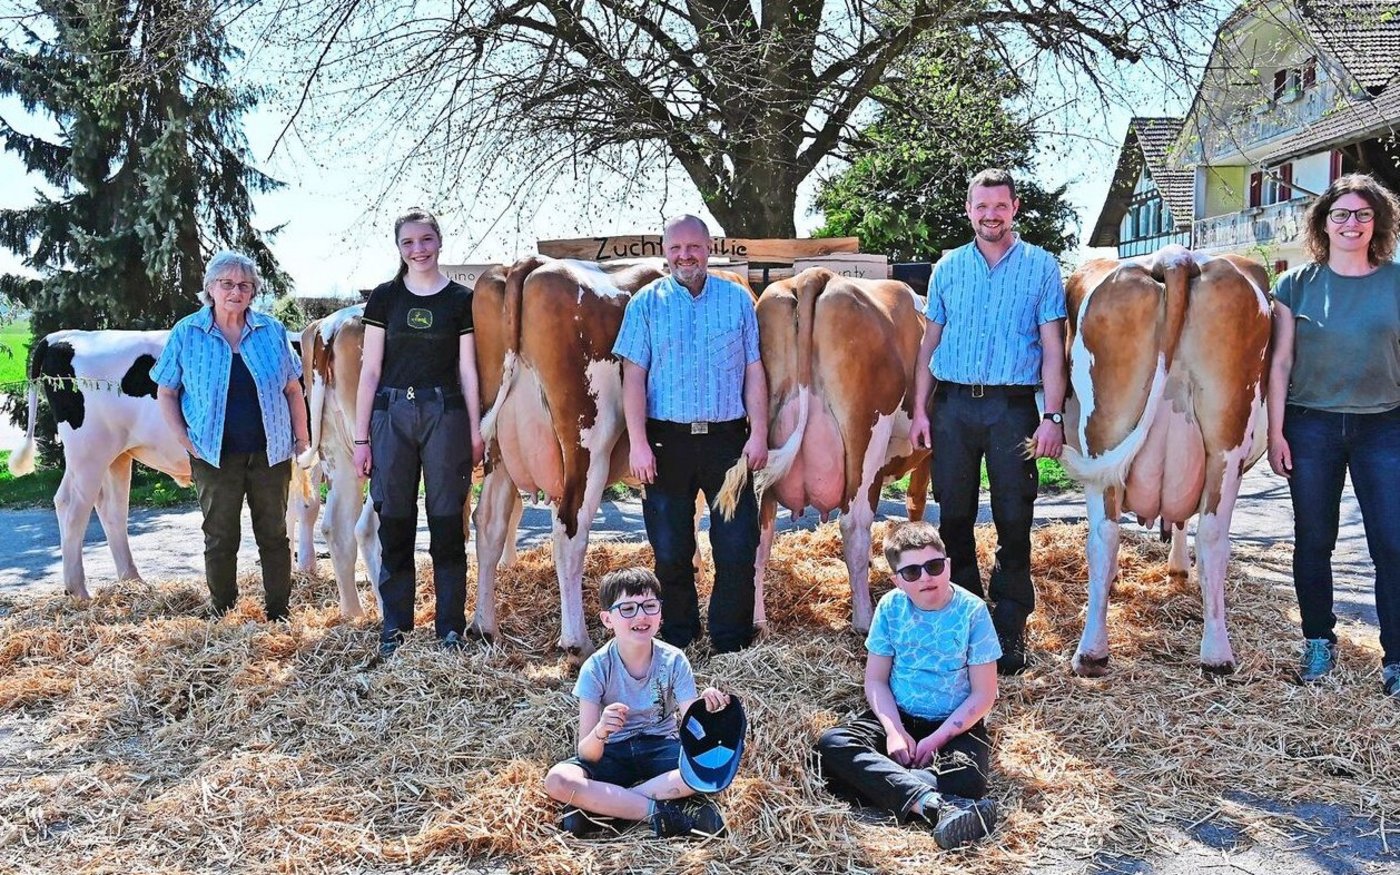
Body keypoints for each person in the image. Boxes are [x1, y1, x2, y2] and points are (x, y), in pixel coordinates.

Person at [908, 168, 1068, 675]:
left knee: (1013, 517)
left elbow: (1053, 349)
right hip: (953, 406)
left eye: (1000, 206)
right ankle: (966, 619)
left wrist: (1052, 416)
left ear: (1015, 208)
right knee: (954, 516)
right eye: (982, 206)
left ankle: (1011, 623)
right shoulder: (948, 267)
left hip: (1012, 408)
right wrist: (920, 410)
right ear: (969, 210)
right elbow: (929, 344)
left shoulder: (1041, 267)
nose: (990, 215)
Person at [1267, 173, 1400, 697]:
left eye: (1363, 214)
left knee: (1391, 543)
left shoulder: (1396, 281)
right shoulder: (1295, 286)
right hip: (1311, 426)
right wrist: (1275, 433)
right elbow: (1280, 363)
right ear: (1323, 223)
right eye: (1341, 214)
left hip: (1384, 426)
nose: (1352, 223)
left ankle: (1396, 659)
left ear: (1377, 222)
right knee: (1314, 540)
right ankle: (1318, 641)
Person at [613, 214, 768, 653]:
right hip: (666, 443)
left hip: (727, 442)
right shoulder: (646, 303)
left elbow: (753, 370)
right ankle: (679, 637)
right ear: (665, 251)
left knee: (737, 547)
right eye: (676, 248)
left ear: (708, 248)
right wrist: (638, 443)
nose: (685, 256)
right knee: (670, 550)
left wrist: (758, 433)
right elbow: (633, 378)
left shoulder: (736, 301)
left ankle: (730, 642)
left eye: (694, 247)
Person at [814, 521, 1001, 849]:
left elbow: (984, 694)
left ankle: (892, 787)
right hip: (899, 715)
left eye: (934, 566)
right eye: (912, 572)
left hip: (955, 724)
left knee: (968, 779)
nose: (926, 577)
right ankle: (934, 805)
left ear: (948, 565)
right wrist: (894, 732)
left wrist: (936, 739)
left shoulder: (973, 611)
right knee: (831, 745)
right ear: (896, 580)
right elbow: (875, 680)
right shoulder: (890, 607)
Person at [351, 208, 484, 657]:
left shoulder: (460, 300)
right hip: (391, 415)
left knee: (446, 520)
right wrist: (361, 438)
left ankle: (450, 627)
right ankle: (396, 627)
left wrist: (475, 430)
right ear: (399, 248)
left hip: (445, 413)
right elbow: (370, 371)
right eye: (408, 242)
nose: (418, 249)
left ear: (439, 242)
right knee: (395, 521)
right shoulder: (385, 299)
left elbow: (467, 369)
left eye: (426, 239)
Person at [154, 251, 310, 621]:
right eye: (226, 284)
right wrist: (184, 439)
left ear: (253, 292)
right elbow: (167, 391)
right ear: (210, 288)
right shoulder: (187, 332)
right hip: (213, 453)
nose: (235, 292)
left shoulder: (272, 331)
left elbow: (293, 389)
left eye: (244, 285)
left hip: (271, 452)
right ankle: (223, 612)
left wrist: (302, 441)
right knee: (221, 536)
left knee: (274, 535)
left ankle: (279, 613)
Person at [543, 567, 732, 838]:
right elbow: (587, 754)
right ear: (607, 619)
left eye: (650, 606)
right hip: (612, 752)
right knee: (558, 780)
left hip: (661, 747)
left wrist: (708, 709)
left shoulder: (674, 660)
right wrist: (601, 731)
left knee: (709, 767)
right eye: (628, 608)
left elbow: (693, 730)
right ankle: (661, 813)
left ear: (660, 613)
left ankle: (608, 808)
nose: (641, 616)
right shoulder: (595, 668)